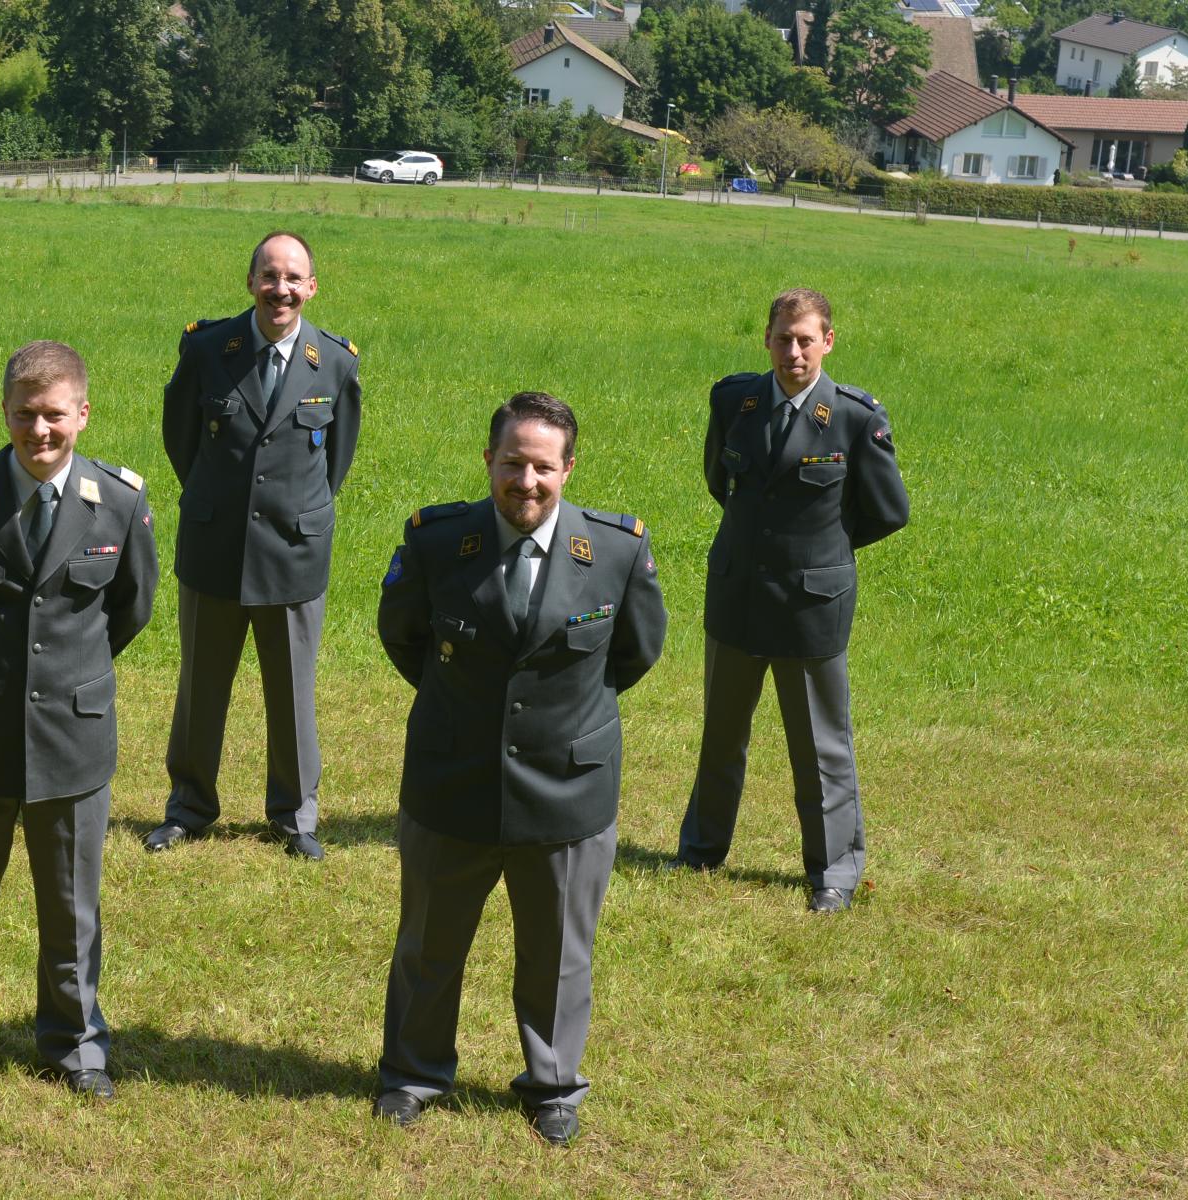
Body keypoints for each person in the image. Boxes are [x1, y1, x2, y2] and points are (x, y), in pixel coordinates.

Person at [372, 392, 665, 1145]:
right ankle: (413, 1071)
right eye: (512, 463)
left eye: (542, 466)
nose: (525, 482)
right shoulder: (439, 542)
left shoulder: (618, 552)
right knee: (430, 946)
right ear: (488, 462)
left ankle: (553, 1084)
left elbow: (634, 652)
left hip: (567, 789)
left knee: (560, 954)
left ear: (568, 469)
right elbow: (403, 635)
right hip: (452, 780)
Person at [0, 341, 158, 1101]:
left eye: (55, 415)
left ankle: (76, 1042)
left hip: (74, 737)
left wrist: (63, 677)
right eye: (25, 414)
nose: (39, 431)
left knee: (72, 901)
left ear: (82, 413)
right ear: (5, 411)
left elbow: (132, 607)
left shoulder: (119, 501)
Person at [673, 288, 910, 913]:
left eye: (807, 339)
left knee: (820, 745)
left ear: (828, 342)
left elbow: (889, 512)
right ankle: (701, 847)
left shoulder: (856, 418)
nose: (794, 352)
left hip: (810, 604)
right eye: (784, 338)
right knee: (722, 731)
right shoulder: (734, 401)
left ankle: (833, 872)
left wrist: (823, 548)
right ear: (767, 340)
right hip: (737, 594)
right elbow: (719, 482)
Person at [148, 231, 361, 861]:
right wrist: (221, 502)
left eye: (294, 279)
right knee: (200, 689)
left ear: (312, 287)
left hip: (294, 553)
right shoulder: (209, 348)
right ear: (251, 283)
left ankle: (294, 818)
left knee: (293, 693)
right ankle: (189, 806)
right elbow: (181, 440)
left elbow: (336, 462)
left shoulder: (336, 363)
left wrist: (290, 510)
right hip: (215, 548)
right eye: (270, 277)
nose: (281, 290)